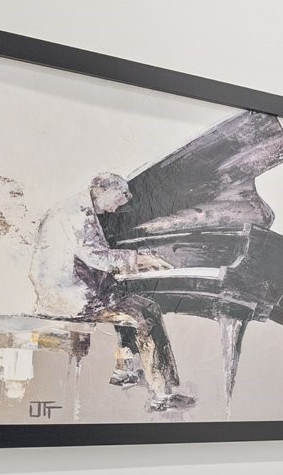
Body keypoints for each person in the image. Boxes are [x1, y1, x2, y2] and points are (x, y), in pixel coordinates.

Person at [28, 172, 192, 413]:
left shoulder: (74, 206)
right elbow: (98, 257)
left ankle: (125, 370)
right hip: (71, 297)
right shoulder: (80, 214)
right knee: (147, 312)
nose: (115, 210)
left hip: (61, 289)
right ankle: (162, 394)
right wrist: (141, 259)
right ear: (100, 190)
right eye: (115, 201)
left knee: (123, 299)